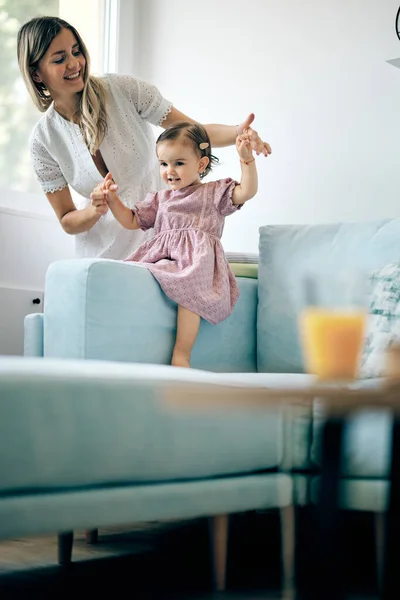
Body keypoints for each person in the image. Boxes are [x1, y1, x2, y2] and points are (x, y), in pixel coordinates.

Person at [17, 16, 271, 260]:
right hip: (102, 249)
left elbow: (195, 133)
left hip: (160, 232)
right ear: (36, 74)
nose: (75, 64)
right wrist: (95, 210)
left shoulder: (121, 89)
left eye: (76, 51)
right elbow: (67, 220)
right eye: (60, 58)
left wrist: (240, 132)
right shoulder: (43, 141)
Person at [91, 122, 258, 368]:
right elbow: (131, 220)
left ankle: (182, 353)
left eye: (179, 163)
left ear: (201, 165)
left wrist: (247, 161)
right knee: (132, 273)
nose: (170, 170)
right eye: (163, 164)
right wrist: (113, 200)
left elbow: (247, 191)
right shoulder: (160, 199)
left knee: (189, 286)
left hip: (196, 263)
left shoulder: (213, 193)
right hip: (162, 257)